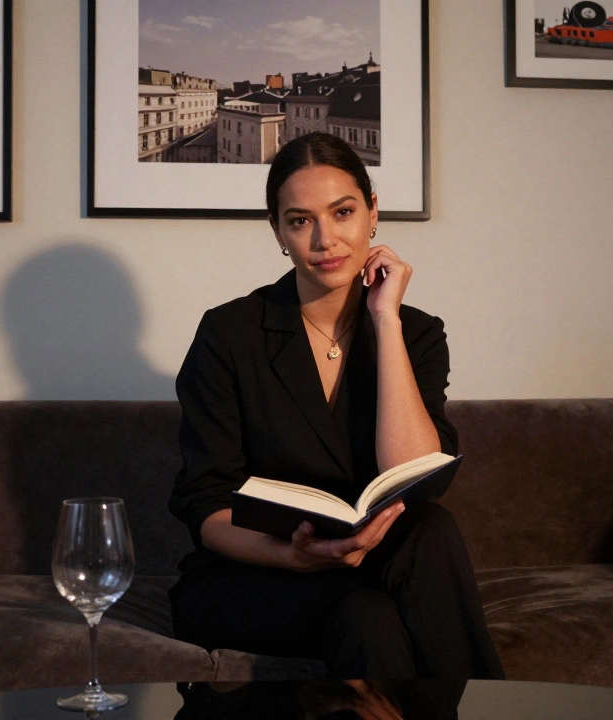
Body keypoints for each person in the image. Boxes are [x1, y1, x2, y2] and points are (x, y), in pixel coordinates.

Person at [168, 132, 504, 680]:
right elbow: (206, 506)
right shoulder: (229, 334)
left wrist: (386, 320)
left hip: (371, 569)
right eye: (300, 220)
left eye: (343, 212)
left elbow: (417, 477)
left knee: (416, 547)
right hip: (254, 573)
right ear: (277, 232)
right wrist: (291, 556)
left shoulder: (415, 334)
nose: (325, 238)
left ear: (373, 213)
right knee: (375, 602)